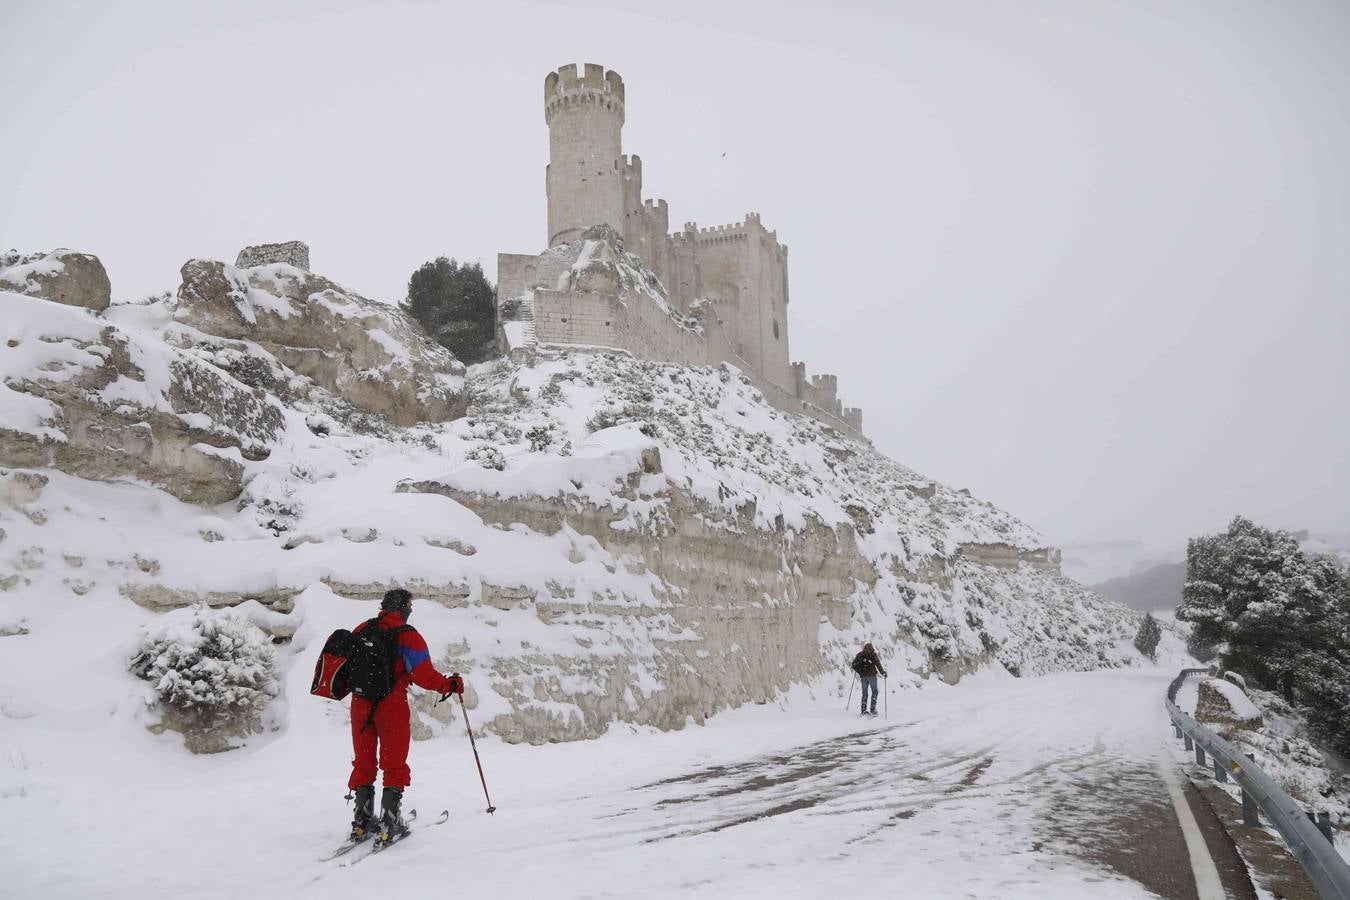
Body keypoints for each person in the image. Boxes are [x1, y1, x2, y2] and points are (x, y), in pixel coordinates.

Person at [347, 588, 464, 844]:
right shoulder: (408, 636)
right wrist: (449, 685)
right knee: (393, 764)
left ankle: (362, 822)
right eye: (409, 606)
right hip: (391, 707)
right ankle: (390, 823)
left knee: (364, 762)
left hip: (359, 706)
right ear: (403, 608)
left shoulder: (363, 629)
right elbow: (423, 675)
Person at [851, 642, 887, 716]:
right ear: (872, 648)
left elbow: (853, 665)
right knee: (875, 691)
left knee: (865, 693)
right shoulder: (873, 655)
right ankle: (873, 709)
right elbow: (878, 664)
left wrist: (859, 671)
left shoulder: (860, 654)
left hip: (863, 676)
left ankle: (863, 710)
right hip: (872, 676)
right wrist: (883, 672)